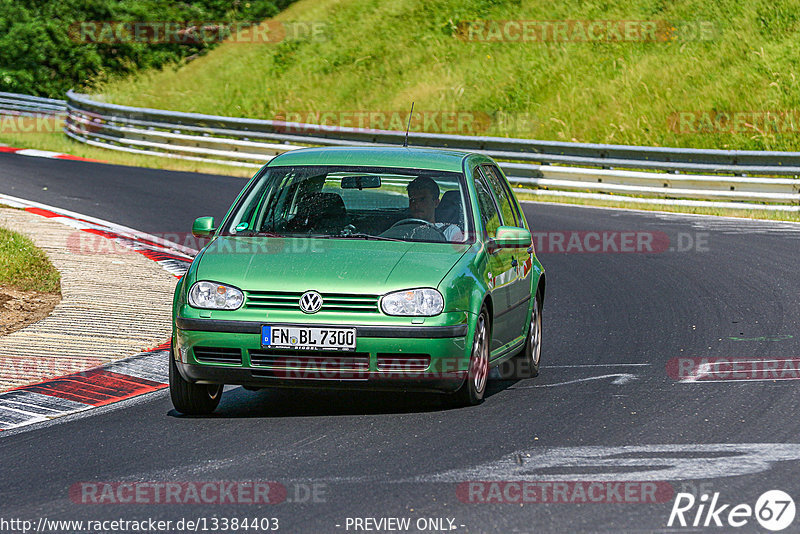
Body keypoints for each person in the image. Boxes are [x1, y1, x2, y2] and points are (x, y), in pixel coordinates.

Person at [407, 176, 464, 241]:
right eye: (413, 200)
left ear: (436, 203)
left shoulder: (450, 231)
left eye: (422, 199)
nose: (416, 205)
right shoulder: (402, 230)